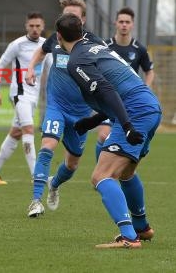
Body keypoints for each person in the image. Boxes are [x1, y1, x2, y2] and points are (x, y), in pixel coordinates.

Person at [56, 12, 160, 248]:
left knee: (100, 176)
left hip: (135, 113)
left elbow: (107, 91)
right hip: (150, 106)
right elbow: (116, 90)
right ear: (82, 30)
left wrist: (126, 125)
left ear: (59, 37)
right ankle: (142, 228)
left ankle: (129, 237)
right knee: (126, 174)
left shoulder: (76, 61)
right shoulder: (95, 44)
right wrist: (92, 122)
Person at [24, 0, 104, 218]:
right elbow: (41, 51)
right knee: (47, 146)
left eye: (74, 16)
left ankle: (55, 185)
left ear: (83, 20)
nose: (67, 20)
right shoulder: (56, 37)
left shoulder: (95, 45)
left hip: (81, 114)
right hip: (56, 106)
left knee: (72, 165)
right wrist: (31, 68)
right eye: (65, 15)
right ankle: (35, 201)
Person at [0, 12, 51, 185]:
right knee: (28, 130)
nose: (35, 29)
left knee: (15, 133)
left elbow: (51, 69)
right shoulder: (17, 45)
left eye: (38, 26)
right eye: (32, 26)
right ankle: (36, 175)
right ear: (26, 26)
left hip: (33, 96)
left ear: (43, 27)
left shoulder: (46, 45)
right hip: (19, 94)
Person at [95, 7, 155, 160]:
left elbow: (149, 71)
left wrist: (145, 89)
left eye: (127, 22)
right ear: (115, 23)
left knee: (129, 142)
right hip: (109, 99)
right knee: (103, 136)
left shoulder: (139, 49)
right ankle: (100, 175)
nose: (124, 25)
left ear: (132, 24)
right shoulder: (105, 45)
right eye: (121, 21)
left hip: (130, 100)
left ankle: (113, 173)